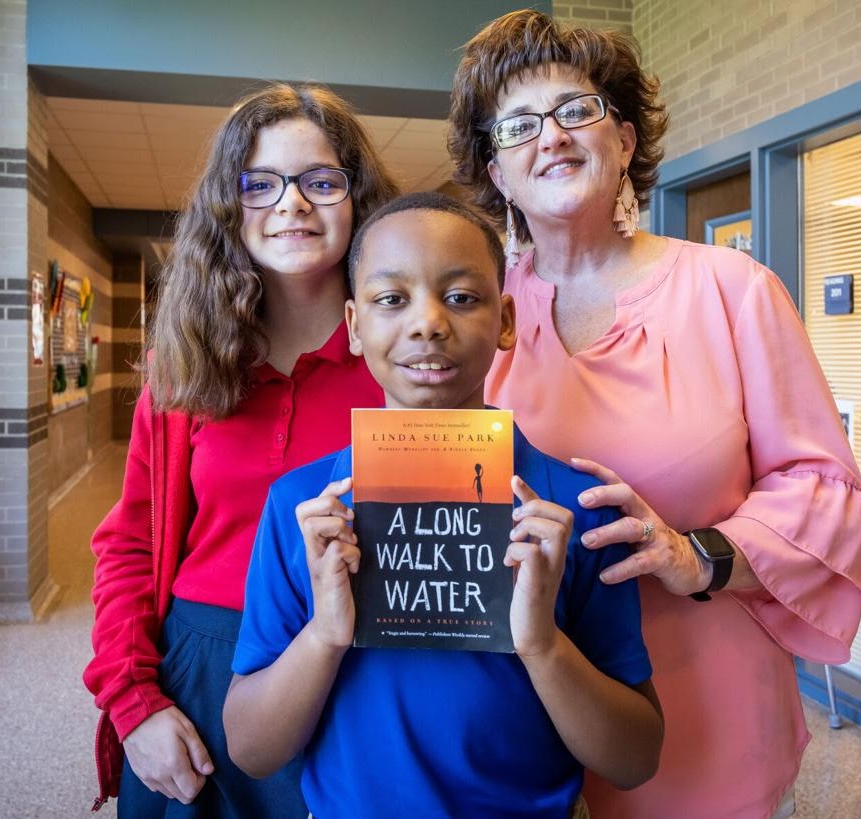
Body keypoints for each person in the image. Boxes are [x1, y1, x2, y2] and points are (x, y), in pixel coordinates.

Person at [447, 10, 861, 819]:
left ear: (623, 140)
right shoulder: (474, 310)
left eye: (579, 109)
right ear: (496, 171)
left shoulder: (732, 289)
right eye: (520, 124)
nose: (554, 137)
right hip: (523, 732)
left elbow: (829, 492)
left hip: (706, 729)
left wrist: (697, 553)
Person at [223, 192, 664, 818]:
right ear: (352, 325)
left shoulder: (576, 513)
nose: (428, 322)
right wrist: (324, 634)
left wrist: (541, 643)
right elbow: (251, 749)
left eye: (461, 297)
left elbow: (635, 758)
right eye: (391, 299)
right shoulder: (304, 511)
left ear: (506, 318)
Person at [83, 82, 398, 816]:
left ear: (359, 200)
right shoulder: (183, 363)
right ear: (231, 204)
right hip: (203, 670)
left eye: (321, 181)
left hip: (359, 664)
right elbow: (129, 541)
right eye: (261, 184)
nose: (292, 203)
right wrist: (134, 704)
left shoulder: (402, 362)